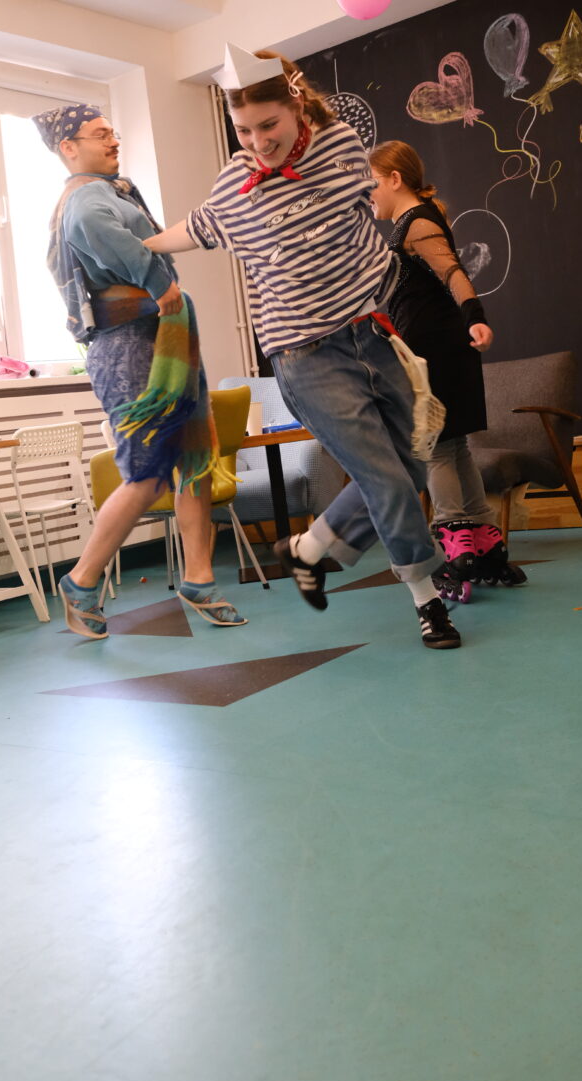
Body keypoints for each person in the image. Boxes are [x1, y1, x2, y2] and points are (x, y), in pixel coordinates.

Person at [144, 46, 460, 650]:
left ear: (296, 109)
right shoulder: (235, 185)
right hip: (304, 354)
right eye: (243, 130)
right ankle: (428, 599)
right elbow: (195, 228)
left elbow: (361, 198)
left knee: (415, 460)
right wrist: (139, 247)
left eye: (269, 124)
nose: (258, 141)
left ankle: (309, 548)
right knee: (386, 480)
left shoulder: (342, 146)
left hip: (372, 331)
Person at [33, 103, 246, 638]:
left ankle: (199, 578)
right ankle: (81, 581)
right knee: (148, 471)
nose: (113, 141)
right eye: (99, 134)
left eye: (113, 132)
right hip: (127, 342)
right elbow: (100, 233)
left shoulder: (113, 190)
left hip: (163, 335)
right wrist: (159, 282)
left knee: (194, 458)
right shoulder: (83, 199)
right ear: (68, 147)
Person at [368, 139, 525, 595]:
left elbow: (454, 272)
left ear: (395, 179)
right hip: (441, 347)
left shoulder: (417, 222)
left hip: (435, 351)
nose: (367, 192)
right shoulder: (410, 223)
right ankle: (484, 541)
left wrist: (475, 316)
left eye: (371, 182)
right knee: (455, 448)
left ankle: (456, 550)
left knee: (435, 449)